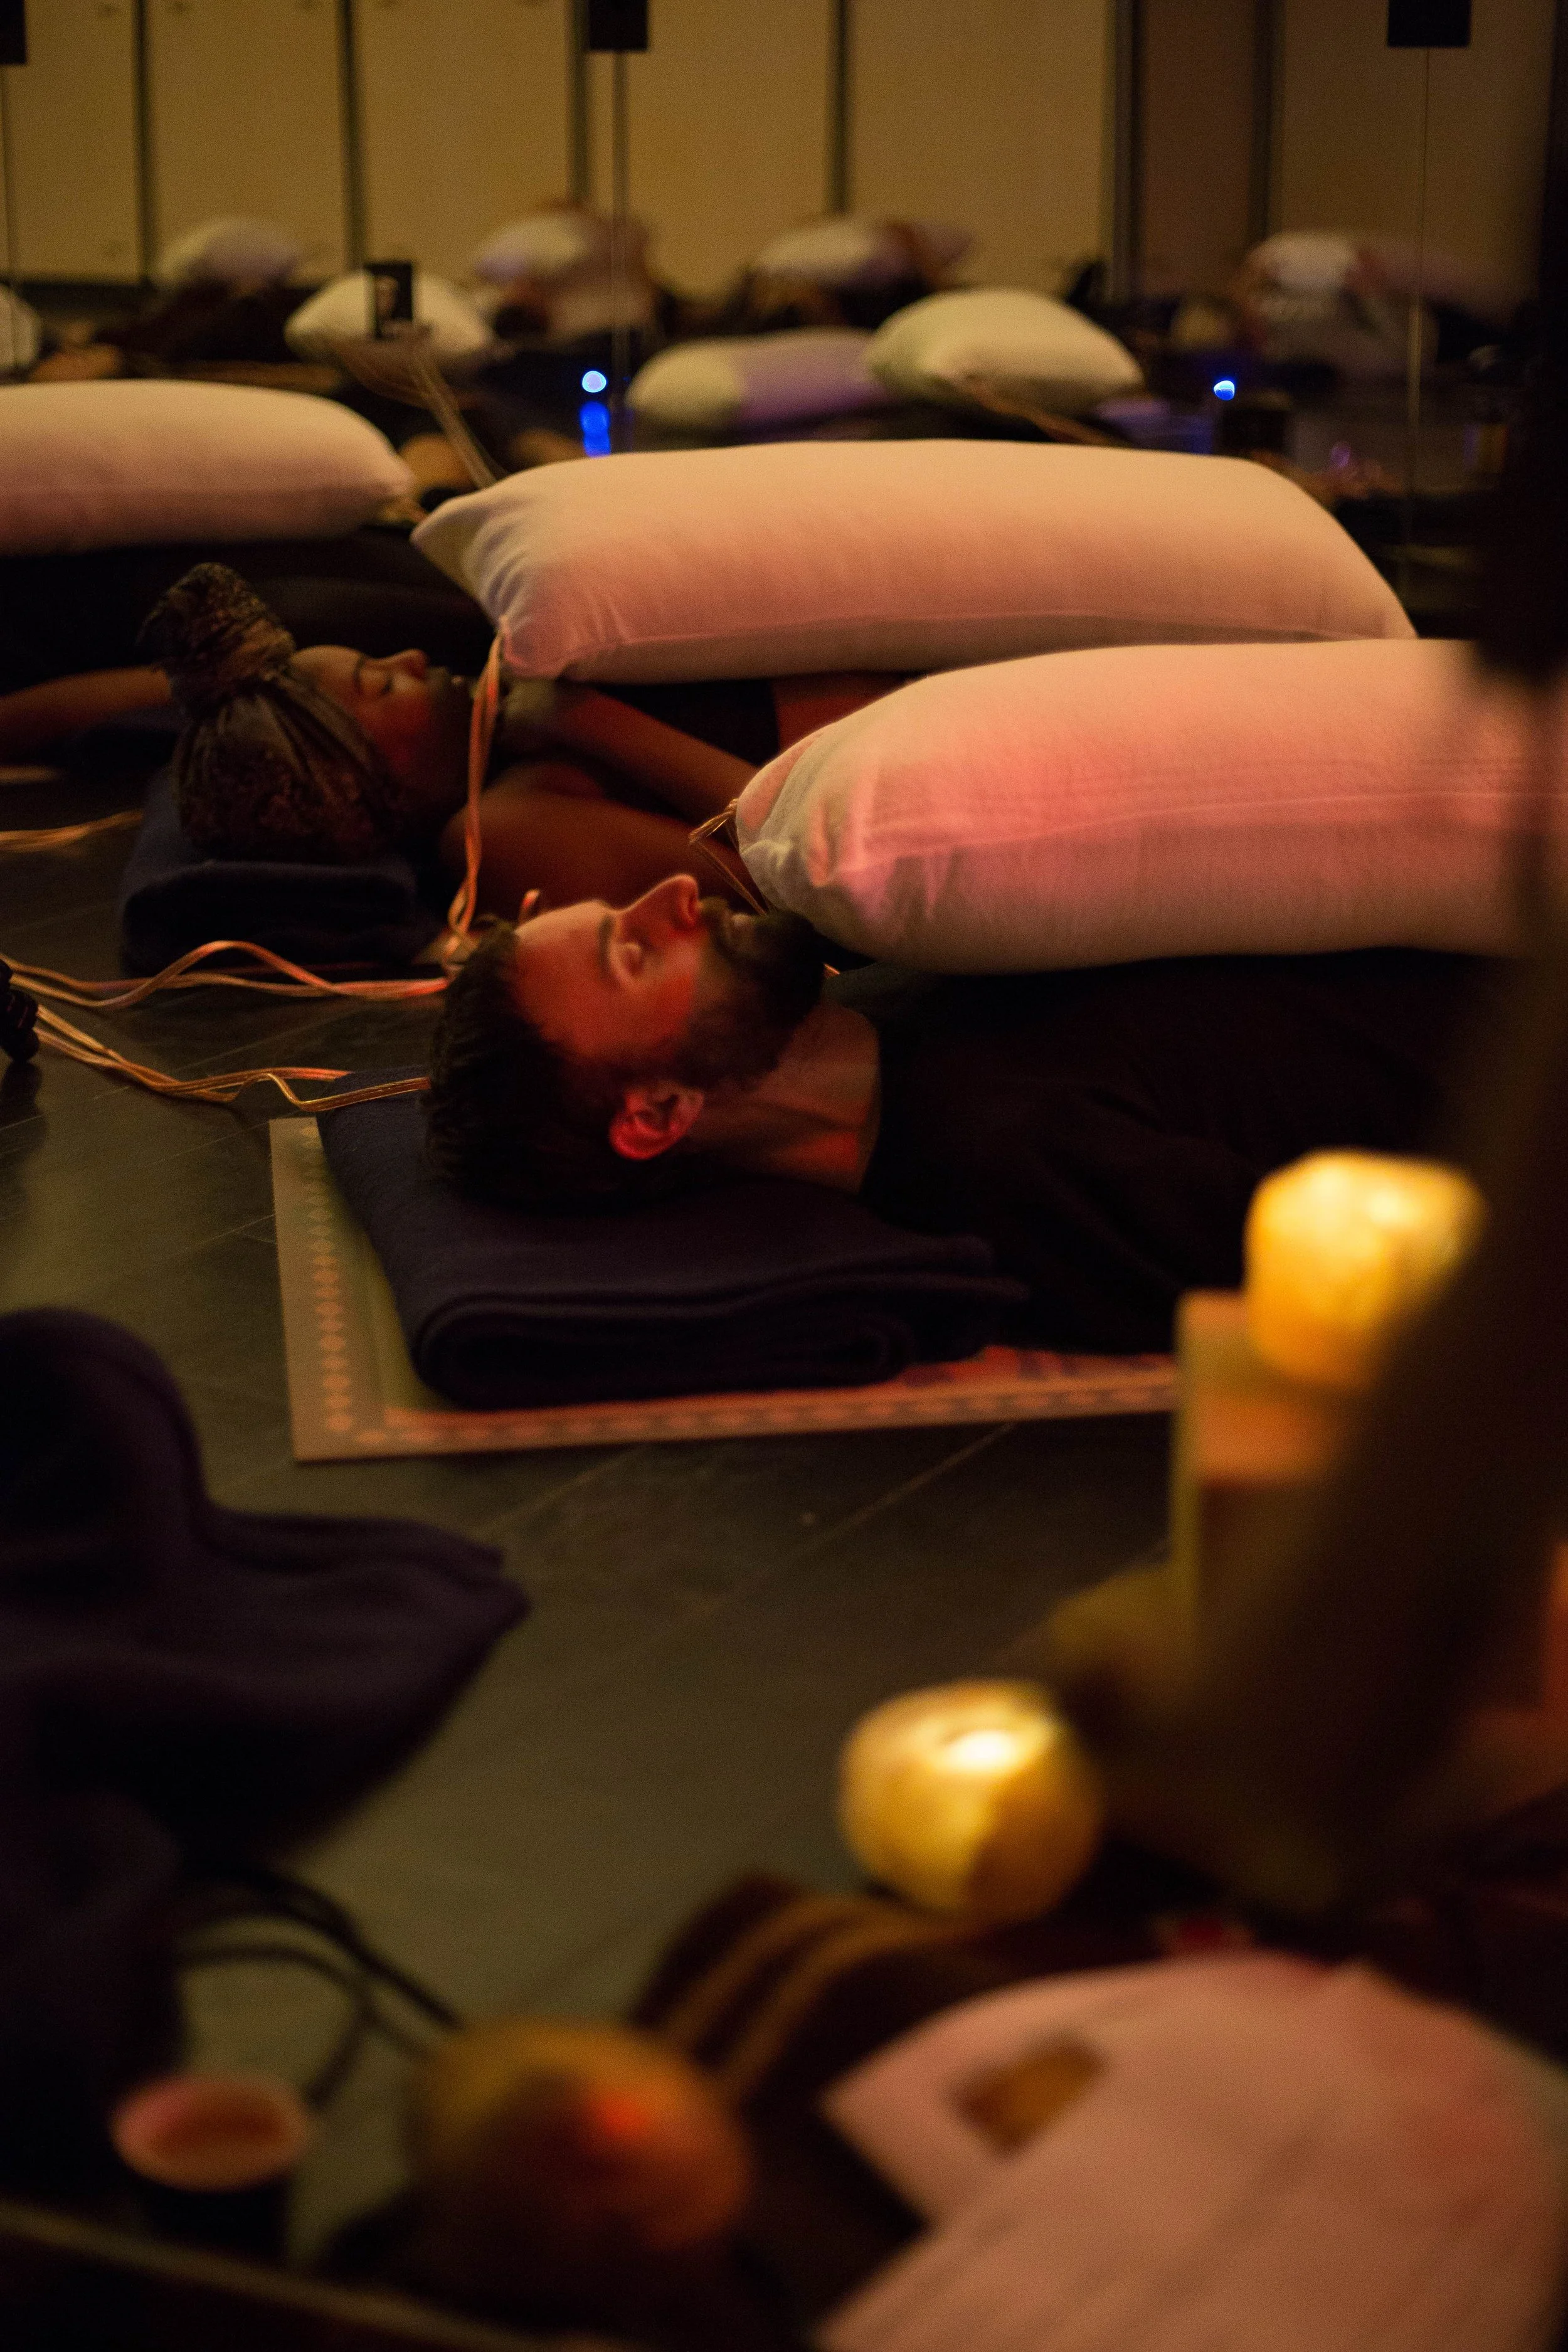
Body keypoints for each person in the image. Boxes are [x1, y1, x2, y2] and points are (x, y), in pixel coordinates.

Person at [423, 876, 1513, 1353]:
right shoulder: (999, 1166)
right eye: (634, 952)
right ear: (658, 1112)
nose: (670, 895)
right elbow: (1393, 1279)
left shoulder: (907, 941)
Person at [2, 563, 783, 914]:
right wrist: (596, 725)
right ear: (371, 777)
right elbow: (798, 859)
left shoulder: (521, 726)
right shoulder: (504, 831)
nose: (415, 660)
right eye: (383, 682)